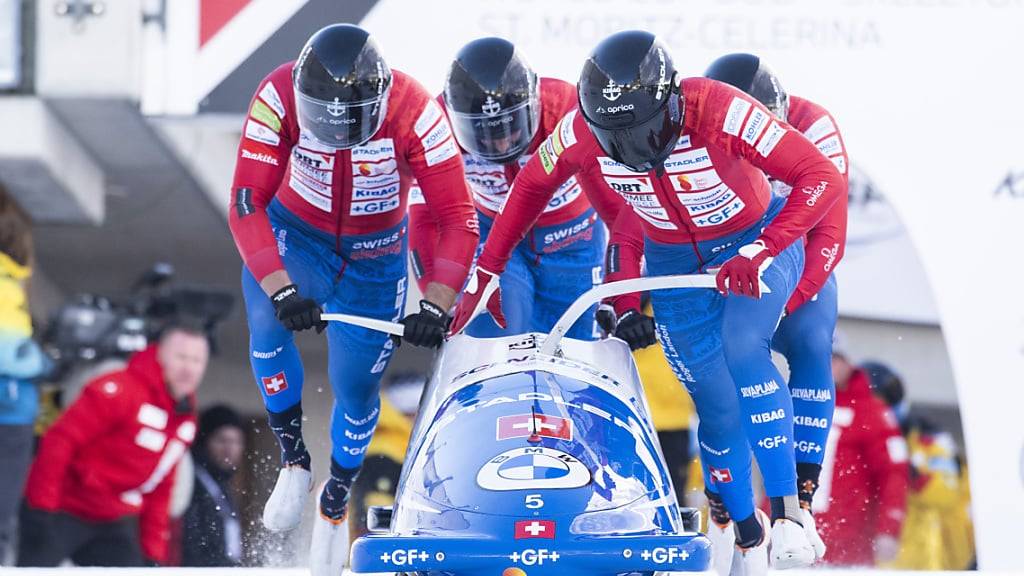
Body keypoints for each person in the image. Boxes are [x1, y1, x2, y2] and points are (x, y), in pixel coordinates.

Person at [450, 30, 846, 573]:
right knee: (716, 403)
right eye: (617, 139)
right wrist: (487, 269)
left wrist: (764, 247)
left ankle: (790, 514)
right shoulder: (578, 131)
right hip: (673, 259)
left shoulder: (720, 108)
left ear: (673, 99)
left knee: (743, 347)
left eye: (648, 131)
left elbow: (821, 178)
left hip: (753, 240)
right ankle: (747, 538)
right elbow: (530, 190)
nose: (636, 150)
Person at [227, 23, 477, 576]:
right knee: (268, 324)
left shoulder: (418, 114)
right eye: (325, 121)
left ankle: (336, 493)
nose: (339, 134)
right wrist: (281, 288)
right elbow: (247, 203)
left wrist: (437, 305)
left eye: (356, 121)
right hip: (299, 238)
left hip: (376, 258)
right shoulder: (275, 96)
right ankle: (294, 456)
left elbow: (458, 217)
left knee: (357, 389)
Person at [701, 52, 849, 568]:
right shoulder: (696, 123)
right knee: (723, 375)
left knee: (811, 342)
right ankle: (731, 510)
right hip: (730, 260)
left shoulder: (816, 125)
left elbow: (831, 233)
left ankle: (798, 500)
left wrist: (796, 295)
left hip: (797, 259)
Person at [409, 37, 624, 338]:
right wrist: (438, 305)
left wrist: (623, 298)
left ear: (534, 106)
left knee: (571, 347)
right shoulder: (436, 125)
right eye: (483, 133)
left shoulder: (567, 108)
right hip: (490, 234)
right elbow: (424, 219)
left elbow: (620, 208)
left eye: (511, 126)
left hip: (573, 241)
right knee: (500, 326)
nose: (502, 143)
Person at [17, 323, 209, 567]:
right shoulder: (120, 389)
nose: (189, 369)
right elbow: (60, 441)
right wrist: (40, 509)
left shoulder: (183, 417)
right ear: (160, 355)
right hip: (63, 507)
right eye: (181, 357)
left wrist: (153, 555)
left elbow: (161, 485)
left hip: (114, 519)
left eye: (197, 361)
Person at [863, 361, 975, 570]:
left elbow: (945, 494)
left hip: (917, 562)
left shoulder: (928, 440)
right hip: (858, 558)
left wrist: (905, 471)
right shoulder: (848, 443)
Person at [811, 348, 909, 566]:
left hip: (848, 546)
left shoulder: (872, 411)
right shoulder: (802, 404)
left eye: (836, 359)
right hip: (796, 544)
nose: (829, 366)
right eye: (823, 358)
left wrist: (888, 527)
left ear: (848, 363)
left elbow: (893, 474)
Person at [0, 187, 49, 565]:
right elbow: (8, 350)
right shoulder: (8, 281)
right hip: (12, 410)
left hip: (15, 411)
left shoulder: (13, 282)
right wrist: (46, 364)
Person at [348, 371, 424, 542]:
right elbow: (374, 514)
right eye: (414, 414)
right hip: (387, 549)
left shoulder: (402, 442)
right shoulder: (383, 452)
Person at [181, 405, 246, 567]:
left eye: (236, 441)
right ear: (205, 442)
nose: (229, 449)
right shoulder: (190, 479)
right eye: (222, 440)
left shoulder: (222, 485)